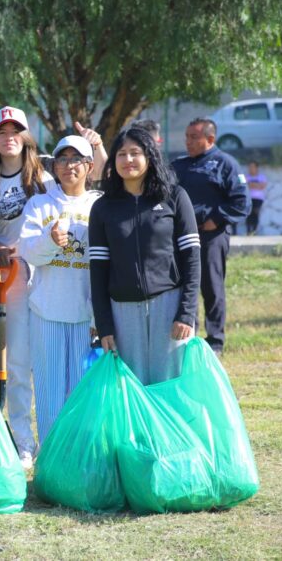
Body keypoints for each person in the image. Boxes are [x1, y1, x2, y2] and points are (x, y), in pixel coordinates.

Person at [89, 126, 200, 385]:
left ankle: (172, 428)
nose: (128, 160)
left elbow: (192, 260)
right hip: (123, 311)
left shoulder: (175, 197)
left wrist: (186, 312)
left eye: (135, 153)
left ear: (150, 157)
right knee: (131, 387)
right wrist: (105, 325)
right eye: (121, 154)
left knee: (170, 384)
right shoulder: (103, 208)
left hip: (169, 306)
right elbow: (98, 271)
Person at [0, 105, 55, 469]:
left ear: (26, 137)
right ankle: (23, 442)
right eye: (2, 131)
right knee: (17, 364)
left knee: (46, 361)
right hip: (8, 279)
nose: (9, 137)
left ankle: (51, 437)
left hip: (46, 276)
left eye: (16, 130)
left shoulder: (46, 178)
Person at [19, 135, 101, 443]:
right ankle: (52, 461)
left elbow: (103, 265)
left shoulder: (99, 206)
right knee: (49, 392)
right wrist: (51, 241)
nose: (68, 167)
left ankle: (79, 459)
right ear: (53, 166)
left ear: (89, 166)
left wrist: (98, 316)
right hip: (47, 312)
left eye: (76, 160)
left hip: (85, 317)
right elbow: (28, 252)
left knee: (82, 394)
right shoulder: (39, 204)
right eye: (62, 160)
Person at [171, 118, 249, 355]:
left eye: (194, 137)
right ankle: (188, 336)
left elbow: (241, 202)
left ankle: (215, 340)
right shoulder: (179, 165)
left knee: (212, 287)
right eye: (187, 137)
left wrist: (217, 218)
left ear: (210, 139)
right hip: (182, 239)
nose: (188, 142)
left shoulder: (225, 164)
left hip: (211, 237)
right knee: (184, 285)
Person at [246, 161, 268, 235]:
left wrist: (250, 184)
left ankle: (254, 231)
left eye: (252, 167)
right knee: (248, 214)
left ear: (256, 168)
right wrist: (256, 185)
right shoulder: (245, 176)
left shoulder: (262, 177)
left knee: (256, 213)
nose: (251, 168)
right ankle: (248, 231)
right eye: (250, 167)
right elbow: (243, 186)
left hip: (258, 199)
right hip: (248, 198)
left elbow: (262, 186)